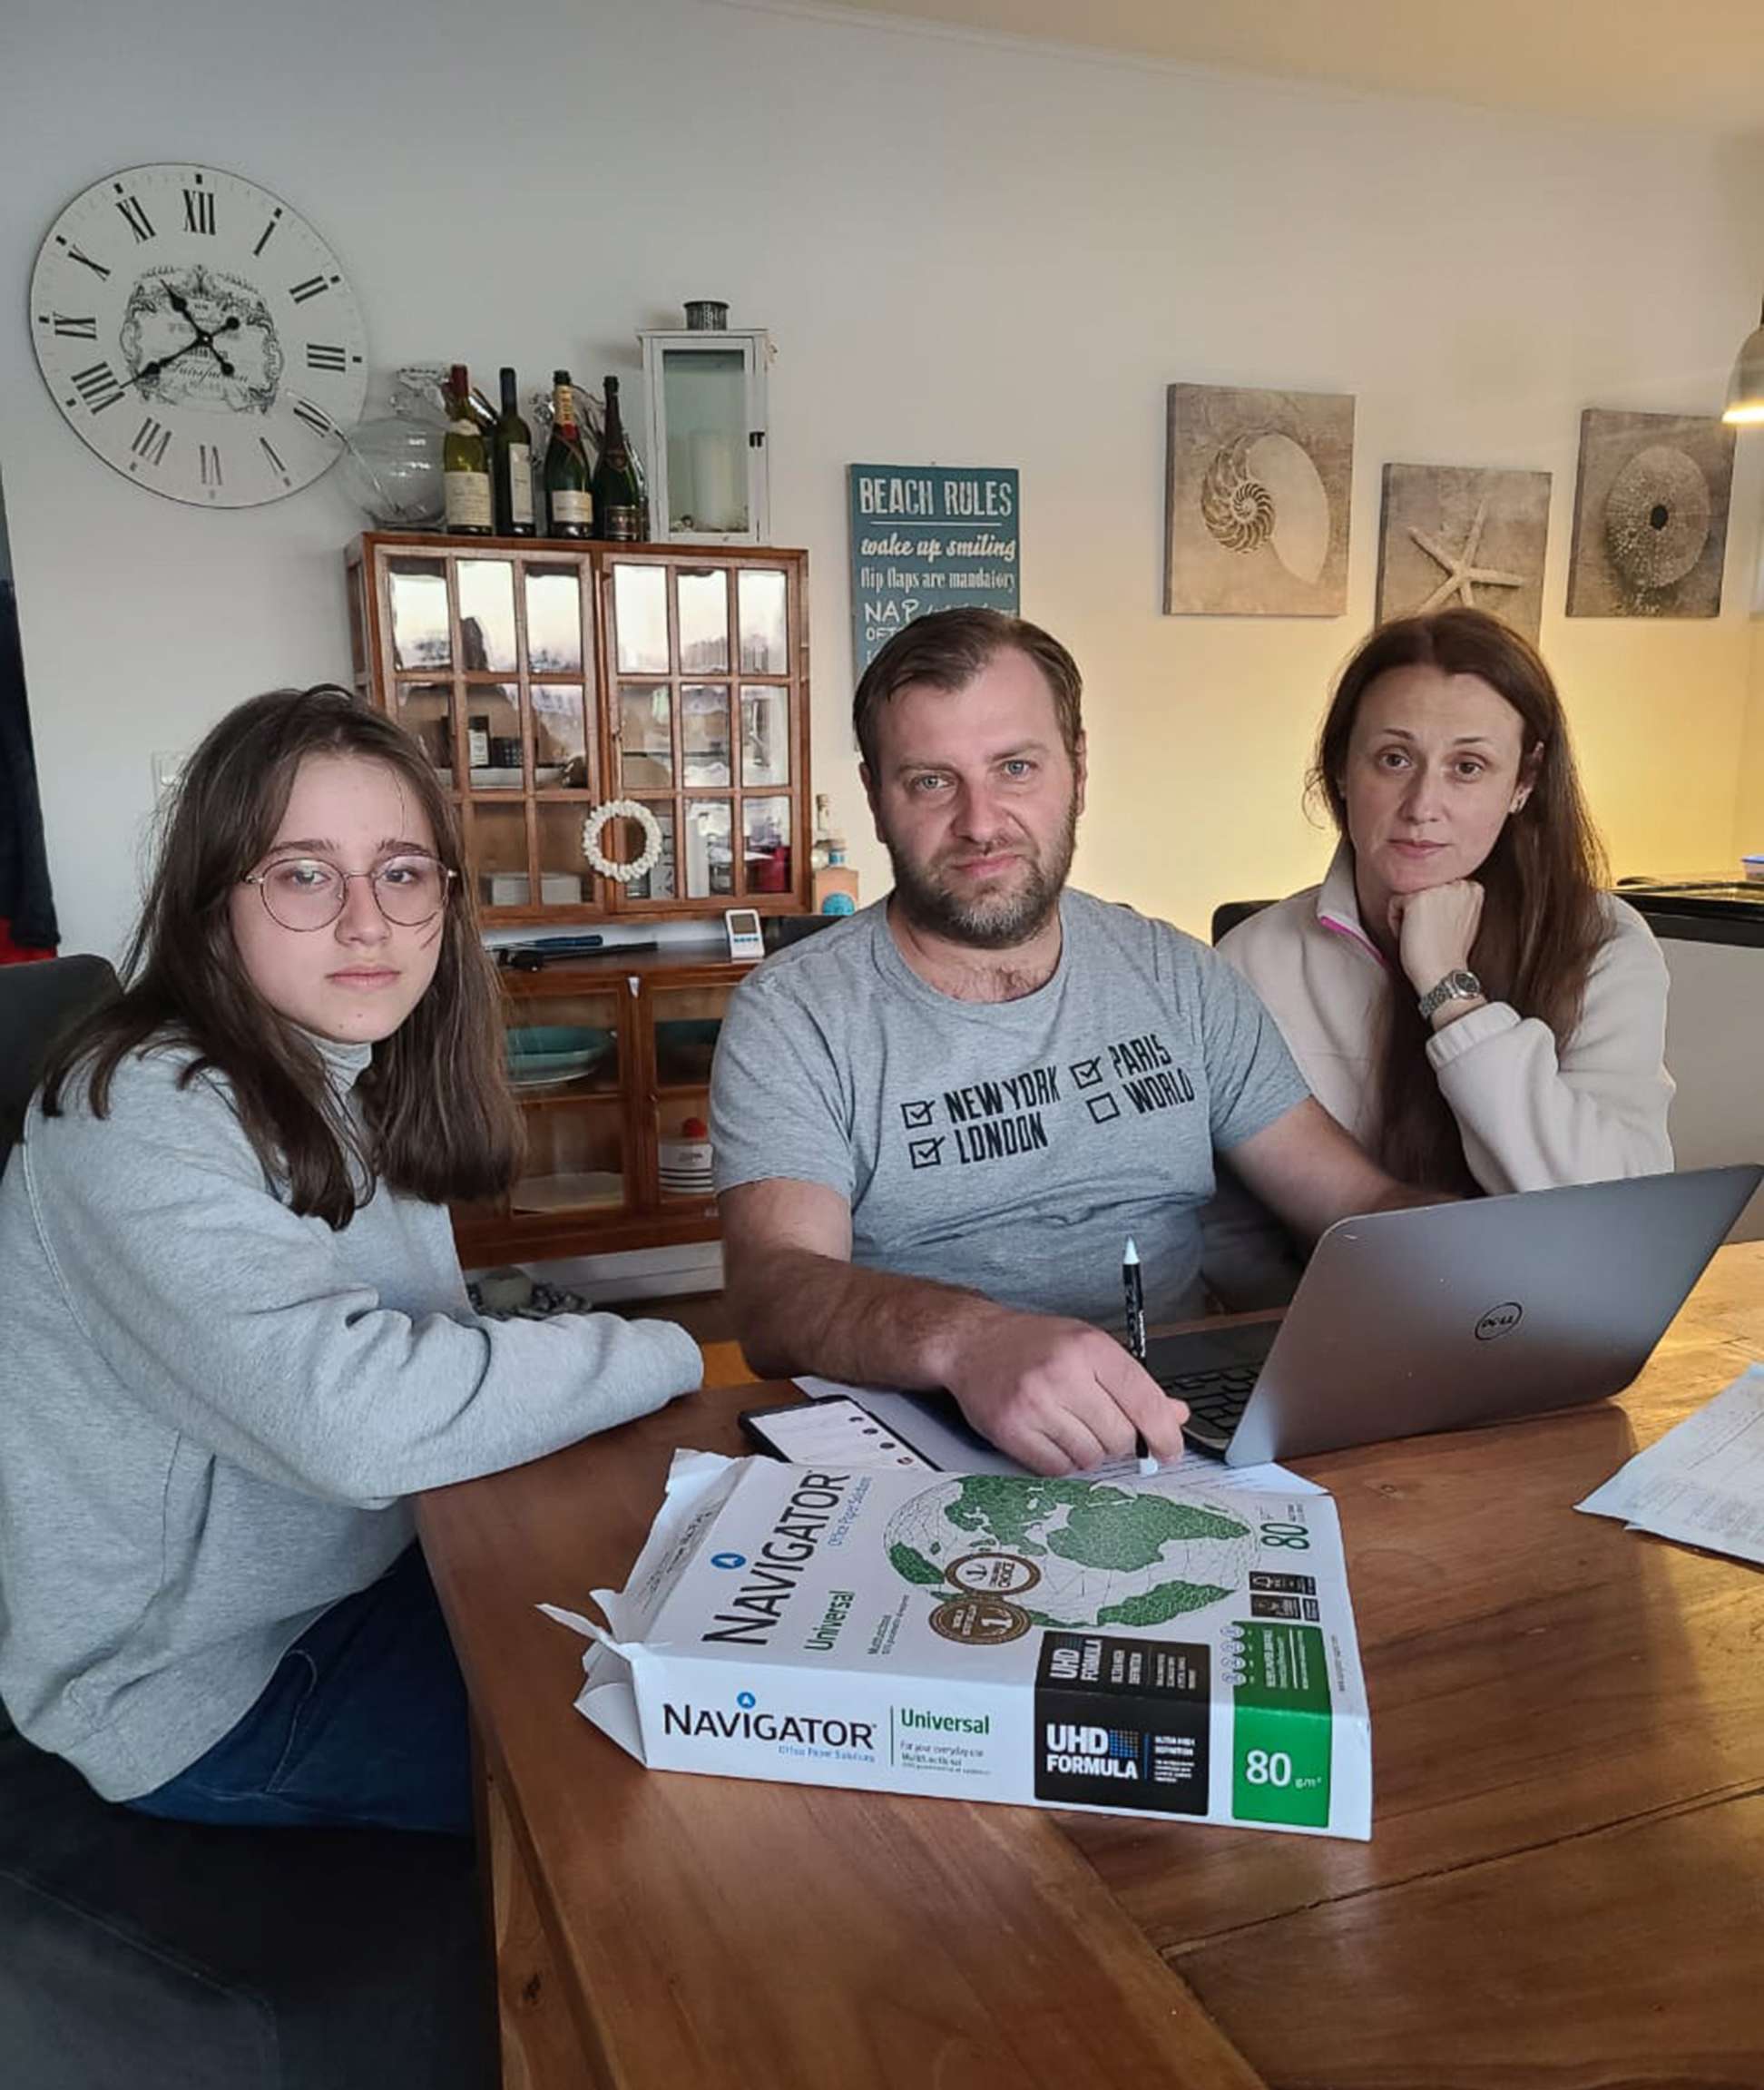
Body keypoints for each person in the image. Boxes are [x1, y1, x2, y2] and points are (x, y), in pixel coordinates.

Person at [0, 685, 701, 1835]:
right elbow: (359, 1419)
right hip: (208, 1685)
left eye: (404, 872)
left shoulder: (343, 1068)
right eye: (304, 873)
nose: (368, 922)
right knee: (689, 1774)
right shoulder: (133, 1116)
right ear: (212, 901)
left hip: (376, 1578)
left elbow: (409, 1348)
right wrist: (664, 1345)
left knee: (719, 1637)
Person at [710, 608, 1438, 1477]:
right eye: (931, 782)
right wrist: (973, 1344)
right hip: (917, 1443)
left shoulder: (1177, 976)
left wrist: (1502, 1273)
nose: (982, 822)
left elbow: (1353, 1203)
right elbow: (774, 1292)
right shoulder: (797, 1014)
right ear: (876, 797)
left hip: (1175, 1429)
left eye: (1015, 767)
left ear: (1078, 771)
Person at [1210, 612, 1671, 1295]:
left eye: (1468, 767)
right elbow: (1225, 1237)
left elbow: (1615, 1217)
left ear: (1524, 782)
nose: (1423, 805)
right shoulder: (1252, 962)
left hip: (1560, 1329)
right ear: (1340, 768)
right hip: (1330, 1343)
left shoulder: (1603, 942)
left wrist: (1452, 996)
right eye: (1394, 759)